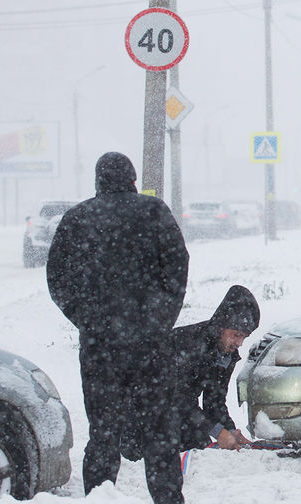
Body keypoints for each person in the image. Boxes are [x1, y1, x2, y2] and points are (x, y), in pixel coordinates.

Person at [46, 151, 189, 504]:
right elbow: (178, 267)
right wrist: (160, 320)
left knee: (104, 433)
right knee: (159, 434)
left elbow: (57, 279)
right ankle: (168, 499)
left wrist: (87, 320)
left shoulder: (78, 218)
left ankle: (99, 496)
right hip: (150, 346)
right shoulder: (155, 213)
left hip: (100, 348)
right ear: (133, 179)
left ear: (97, 182)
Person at [120, 285, 260, 460]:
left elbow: (214, 402)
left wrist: (230, 431)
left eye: (244, 337)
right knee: (151, 461)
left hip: (181, 413)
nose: (239, 343)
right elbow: (175, 397)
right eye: (236, 335)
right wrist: (218, 432)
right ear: (222, 326)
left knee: (199, 453)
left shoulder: (226, 355)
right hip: (144, 407)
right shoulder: (189, 345)